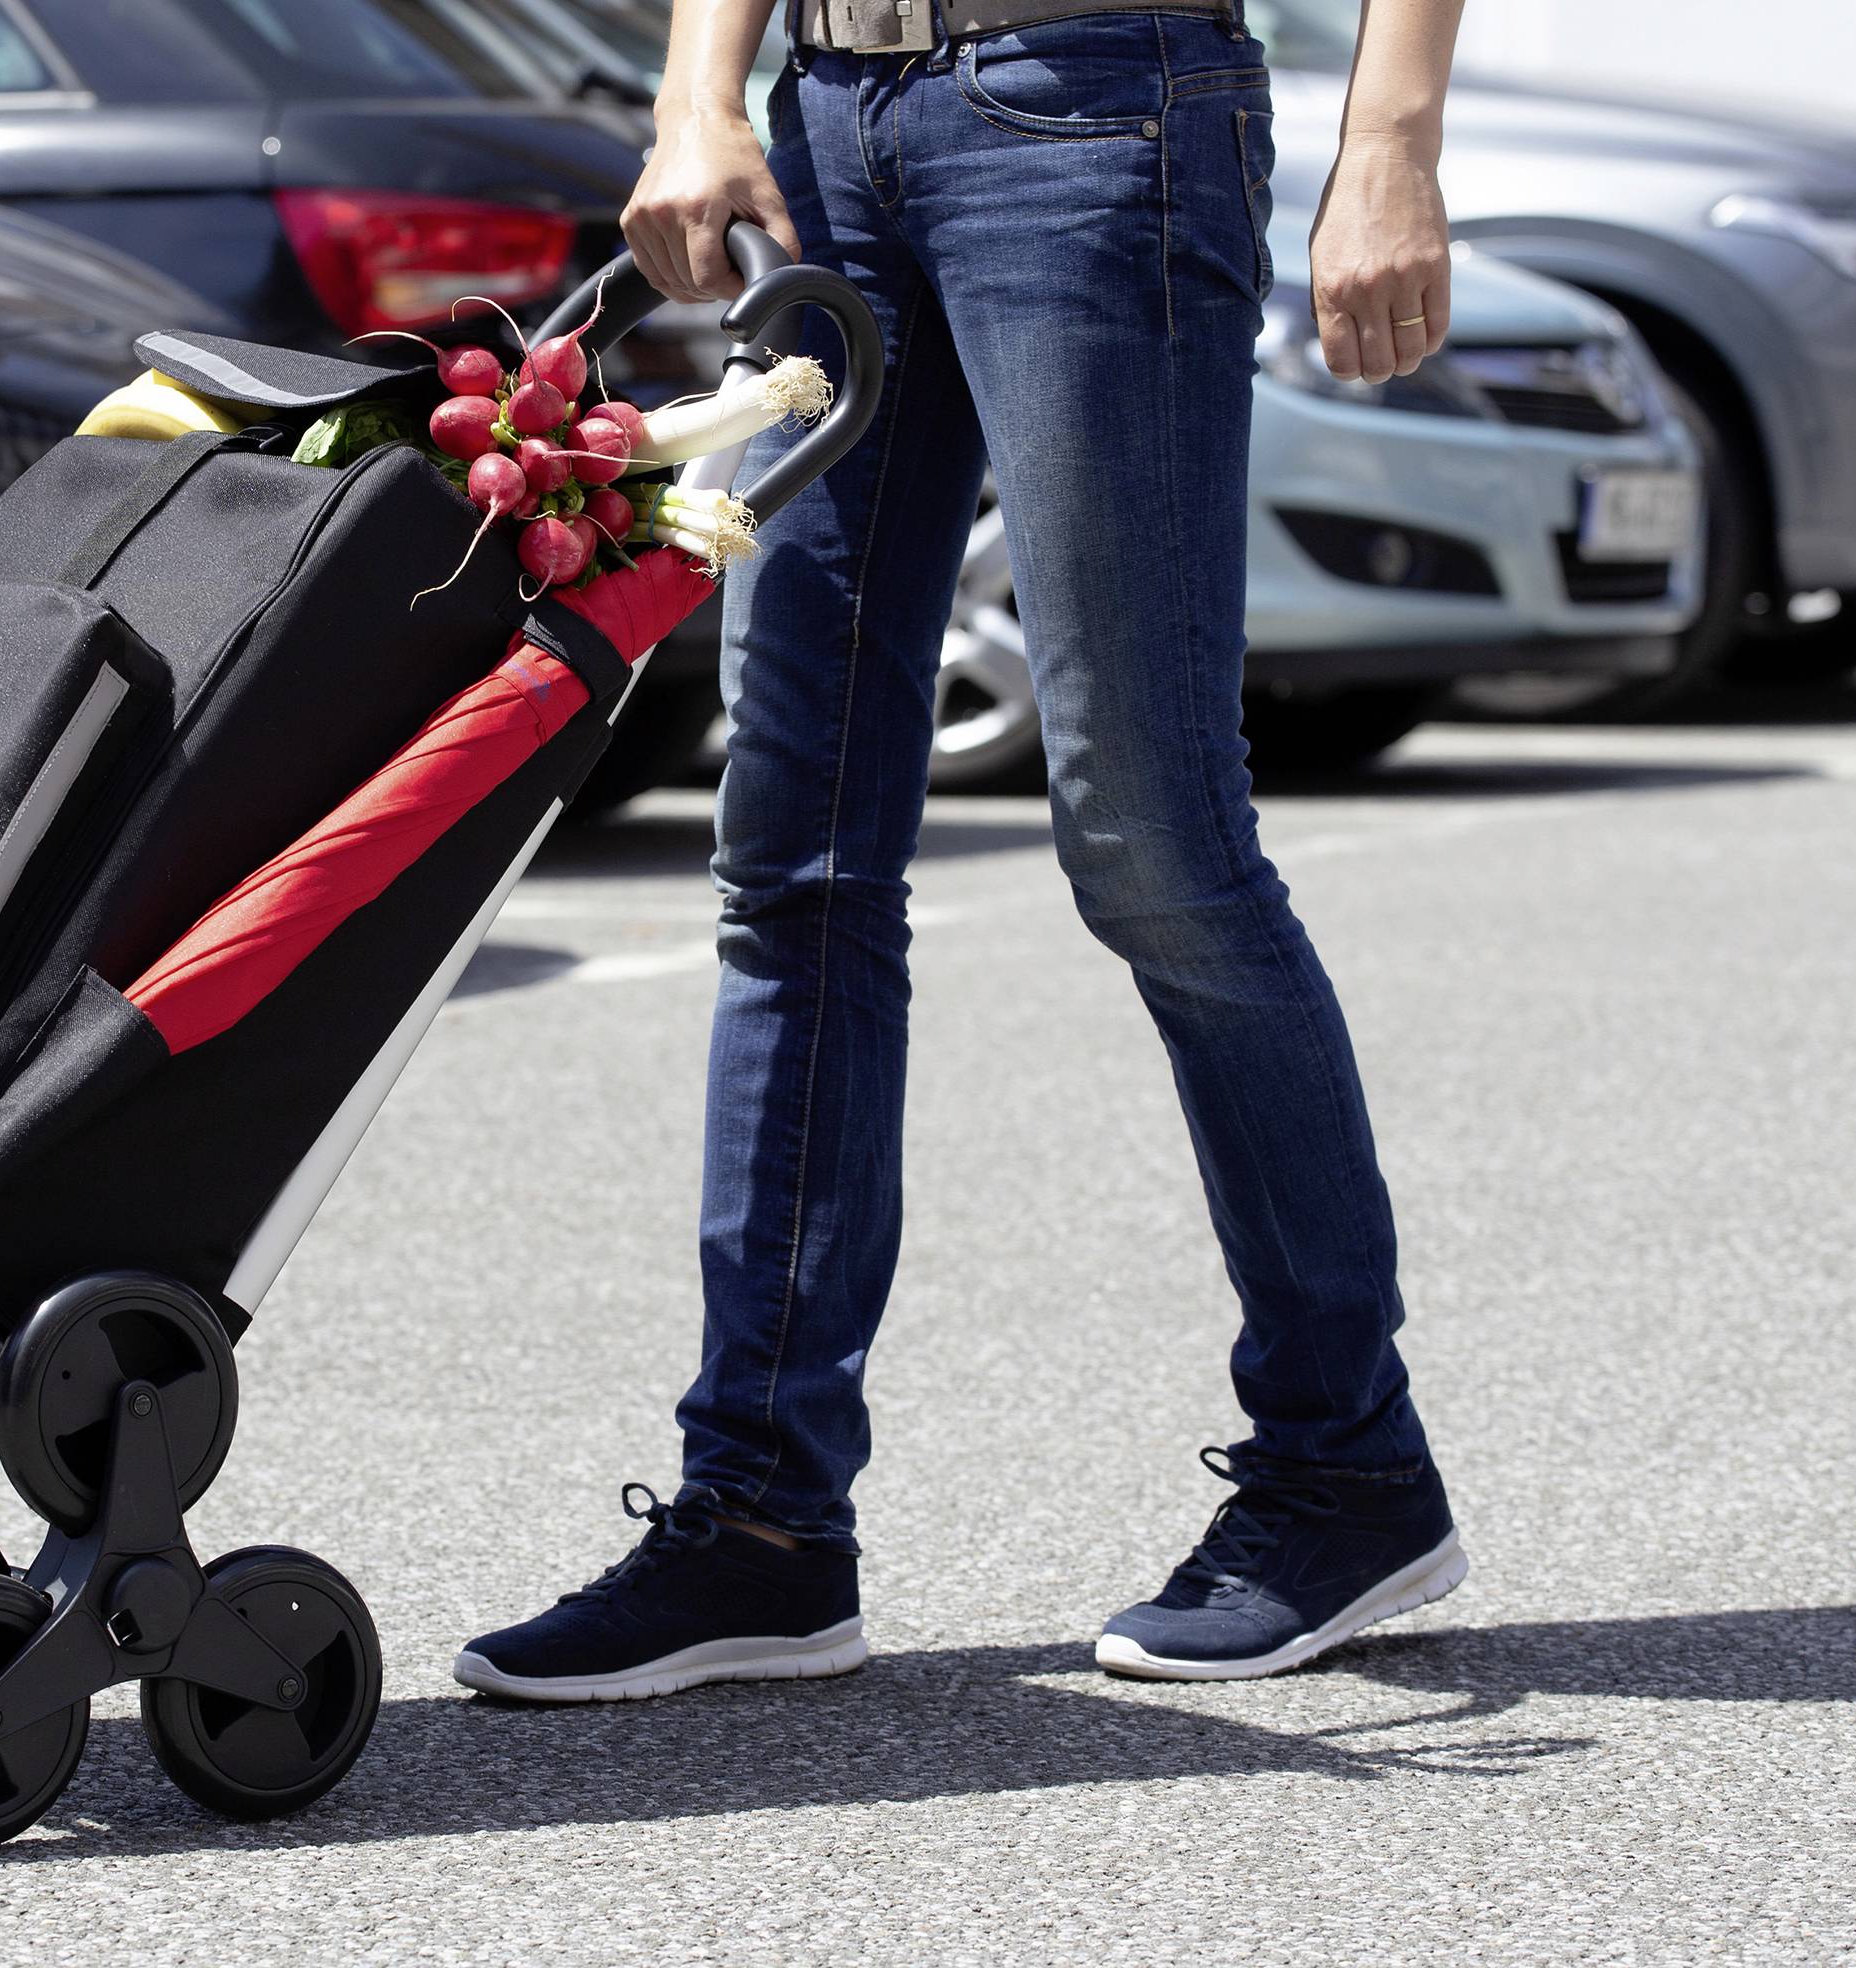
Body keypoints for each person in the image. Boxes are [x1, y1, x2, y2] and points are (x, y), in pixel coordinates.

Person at [456, 0, 1470, 1698]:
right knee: (791, 853)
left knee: (1151, 839)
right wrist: (696, 99)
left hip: (1094, 109)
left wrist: (1389, 148)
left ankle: (1346, 1465)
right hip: (831, 128)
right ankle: (763, 1523)